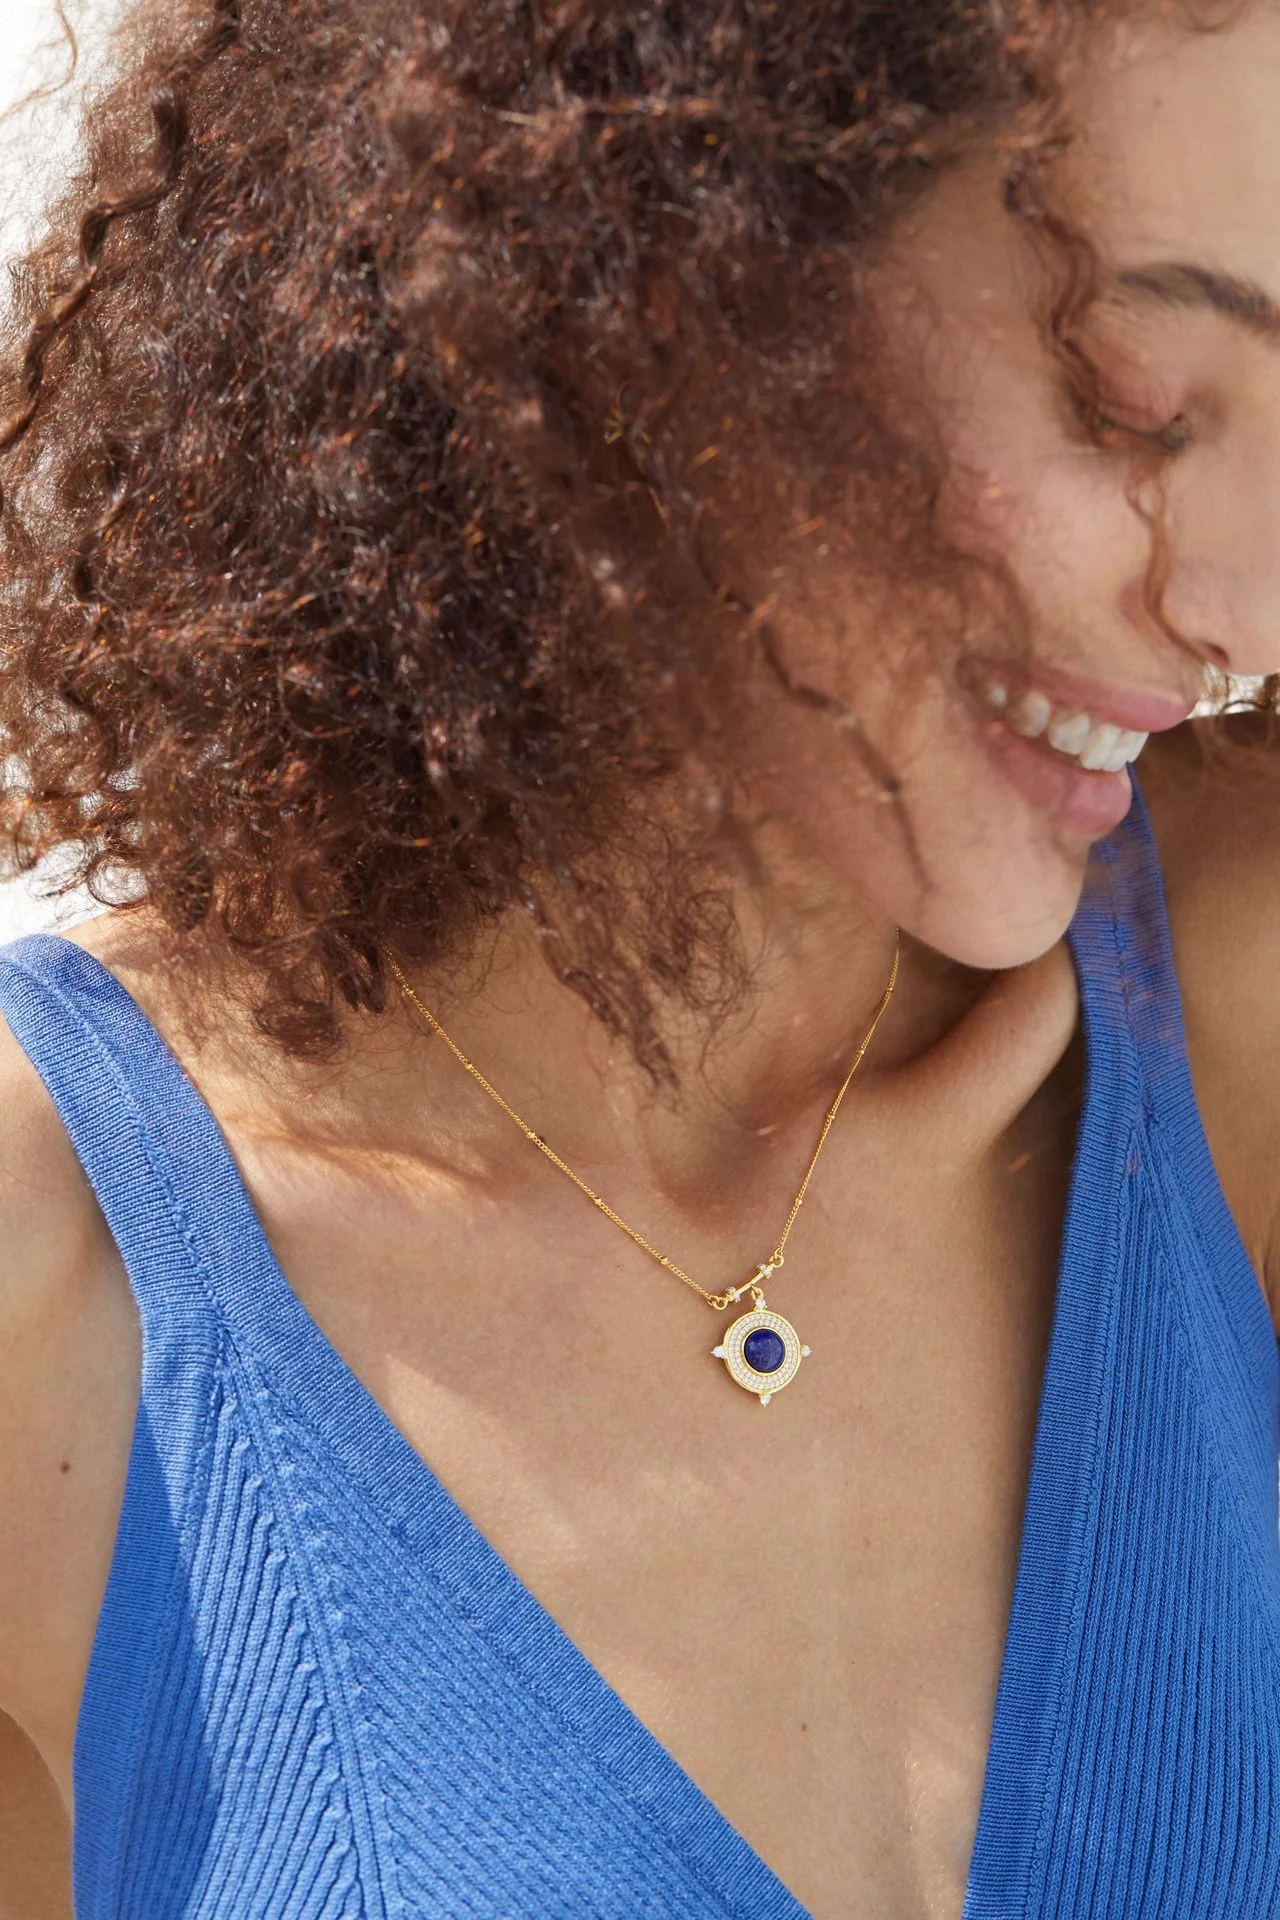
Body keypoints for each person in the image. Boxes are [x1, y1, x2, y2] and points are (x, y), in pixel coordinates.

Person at [3, 0, 1280, 1914]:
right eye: (1134, 404)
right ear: (650, 266)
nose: (1245, 613)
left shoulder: (1236, 1009)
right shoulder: (59, 1261)